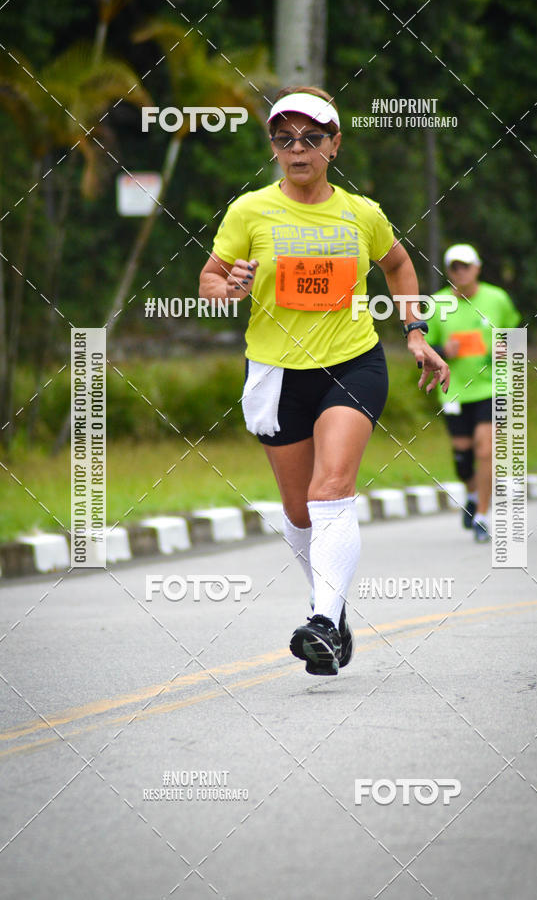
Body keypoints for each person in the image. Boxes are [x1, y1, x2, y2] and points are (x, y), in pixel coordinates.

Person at [199, 86, 449, 675]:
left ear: (335, 145)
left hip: (353, 364)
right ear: (274, 149)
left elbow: (399, 265)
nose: (298, 148)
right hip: (277, 374)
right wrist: (227, 288)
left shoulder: (361, 213)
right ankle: (334, 620)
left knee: (330, 487)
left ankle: (319, 618)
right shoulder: (249, 211)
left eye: (311, 137)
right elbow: (209, 280)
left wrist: (414, 330)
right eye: (284, 138)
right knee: (299, 510)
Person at [426, 244, 520, 543]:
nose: (461, 271)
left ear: (477, 268)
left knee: (485, 450)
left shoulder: (497, 299)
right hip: (453, 391)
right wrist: (443, 351)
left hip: (492, 387)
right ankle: (471, 492)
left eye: (466, 266)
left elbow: (515, 337)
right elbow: (423, 351)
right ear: (448, 271)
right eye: (455, 267)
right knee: (463, 460)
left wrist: (504, 349)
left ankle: (481, 515)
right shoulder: (437, 303)